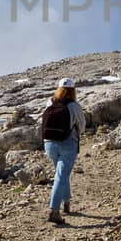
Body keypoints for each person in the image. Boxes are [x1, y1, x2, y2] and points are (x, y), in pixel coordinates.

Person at [40, 77, 86, 224]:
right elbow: (82, 126)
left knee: (60, 173)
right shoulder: (74, 105)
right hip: (68, 144)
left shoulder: (50, 102)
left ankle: (66, 202)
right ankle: (54, 210)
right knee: (61, 175)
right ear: (73, 91)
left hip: (49, 144)